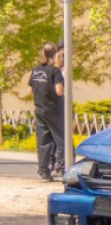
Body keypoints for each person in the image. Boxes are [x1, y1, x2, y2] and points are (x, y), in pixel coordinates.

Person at [28, 42, 64, 182]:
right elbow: (59, 91)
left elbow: (30, 91)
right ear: (54, 55)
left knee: (43, 141)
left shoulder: (36, 70)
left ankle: (44, 172)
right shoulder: (55, 71)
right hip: (54, 110)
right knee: (61, 140)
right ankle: (62, 169)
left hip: (39, 109)